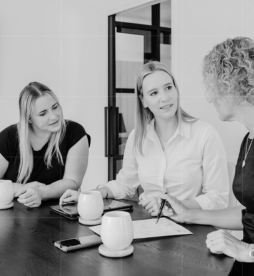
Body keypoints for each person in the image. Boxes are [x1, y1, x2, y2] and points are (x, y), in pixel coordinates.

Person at [160, 37, 254, 275]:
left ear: (232, 84)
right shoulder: (251, 138)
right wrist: (190, 214)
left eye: (211, 87)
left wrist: (247, 251)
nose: (210, 98)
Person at [60, 61, 229, 214]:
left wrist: (170, 204)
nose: (165, 98)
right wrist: (90, 195)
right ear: (143, 100)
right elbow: (125, 185)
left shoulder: (205, 134)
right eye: (154, 93)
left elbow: (218, 198)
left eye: (168, 87)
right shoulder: (137, 137)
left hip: (194, 227)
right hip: (151, 226)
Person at [0, 82, 90, 208]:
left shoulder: (75, 133)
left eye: (55, 107)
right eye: (43, 113)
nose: (54, 116)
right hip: (13, 217)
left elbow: (73, 181)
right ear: (29, 119)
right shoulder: (8, 137)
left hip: (60, 213)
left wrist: (41, 192)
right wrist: (23, 188)